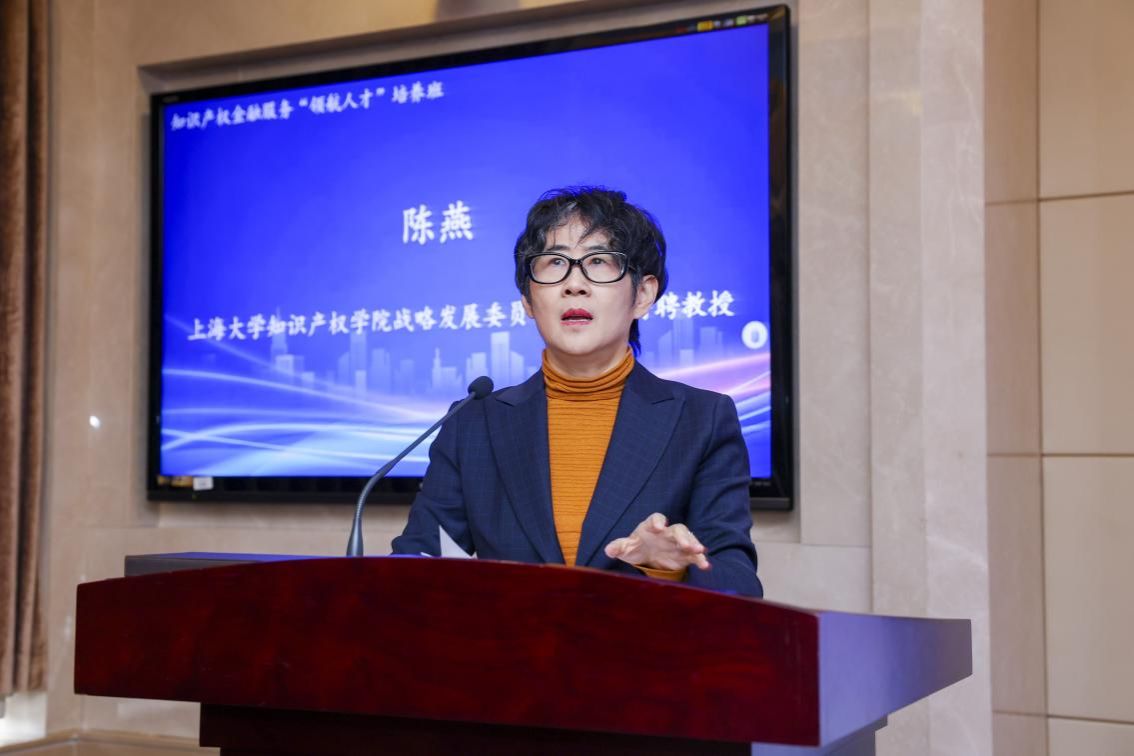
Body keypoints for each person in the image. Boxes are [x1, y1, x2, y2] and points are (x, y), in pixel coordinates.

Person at [392, 187, 762, 597]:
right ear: (528, 300)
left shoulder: (701, 419)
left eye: (599, 261)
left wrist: (667, 568)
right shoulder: (472, 422)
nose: (574, 284)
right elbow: (415, 567)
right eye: (554, 262)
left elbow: (740, 586)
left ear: (643, 294)